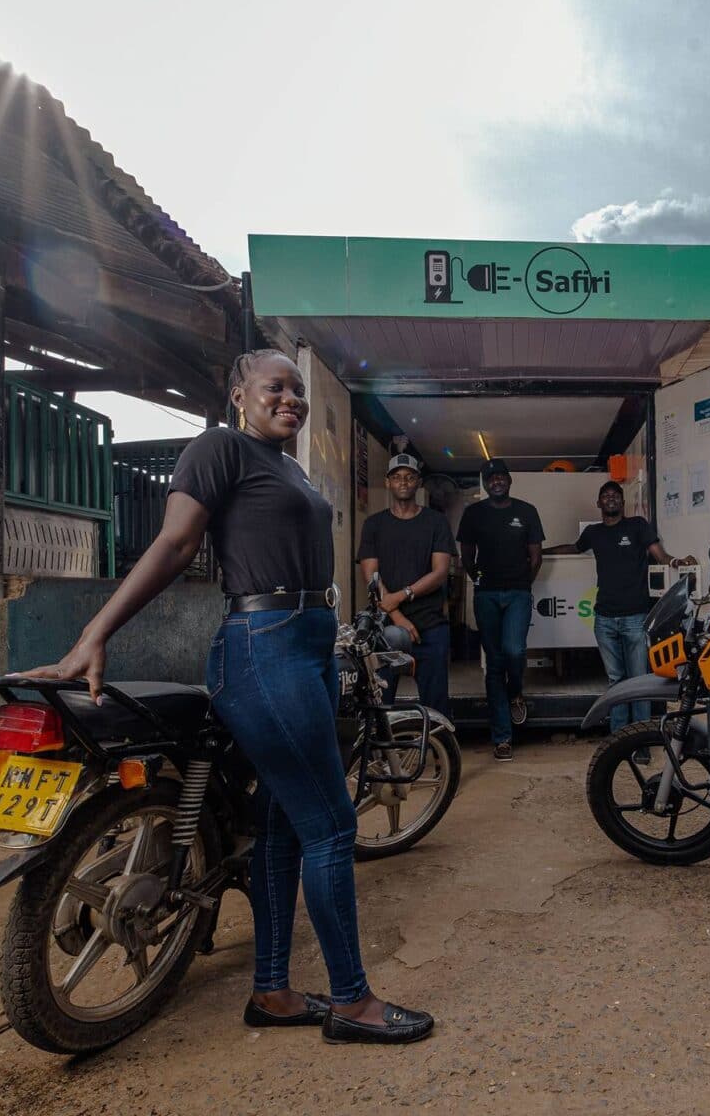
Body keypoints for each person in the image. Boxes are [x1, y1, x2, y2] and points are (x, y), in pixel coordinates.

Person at [24, 350, 432, 1046]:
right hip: (264, 645)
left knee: (280, 823)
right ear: (240, 395)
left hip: (307, 640)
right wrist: (95, 634)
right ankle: (352, 1002)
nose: (292, 398)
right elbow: (175, 543)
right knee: (332, 826)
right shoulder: (220, 448)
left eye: (298, 389)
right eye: (276, 386)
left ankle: (272, 990)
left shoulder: (288, 467)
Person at [546, 480, 694, 731]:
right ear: (599, 503)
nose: (611, 498)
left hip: (635, 617)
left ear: (623, 502)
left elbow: (660, 555)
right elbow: (574, 547)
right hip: (604, 619)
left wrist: (677, 562)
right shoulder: (593, 532)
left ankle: (641, 738)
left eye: (615, 495)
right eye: (606, 495)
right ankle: (618, 738)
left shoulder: (637, 526)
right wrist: (541, 552)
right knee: (616, 682)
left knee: (639, 682)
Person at [457, 458, 544, 760]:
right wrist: (479, 579)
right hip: (486, 596)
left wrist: (523, 583)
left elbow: (536, 556)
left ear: (509, 480)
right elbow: (466, 556)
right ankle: (502, 737)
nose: (496, 481)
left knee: (514, 651)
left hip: (518, 593)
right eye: (490, 478)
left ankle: (515, 692)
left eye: (501, 476)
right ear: (485, 483)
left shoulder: (527, 511)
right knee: (494, 663)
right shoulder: (473, 513)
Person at [357, 452, 454, 714]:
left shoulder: (436, 522)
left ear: (418, 483)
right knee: (381, 704)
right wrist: (398, 617)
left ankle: (436, 742)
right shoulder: (373, 524)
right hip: (385, 629)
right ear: (388, 482)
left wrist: (400, 596)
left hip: (431, 626)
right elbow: (371, 576)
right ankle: (385, 743)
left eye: (409, 477)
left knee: (436, 706)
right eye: (397, 477)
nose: (403, 482)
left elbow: (440, 572)